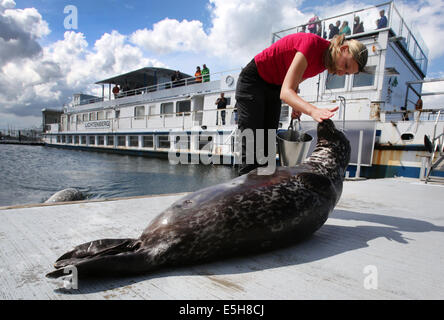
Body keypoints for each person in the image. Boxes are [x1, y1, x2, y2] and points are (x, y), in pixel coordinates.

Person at [235, 33, 368, 175]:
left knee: (267, 147)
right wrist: (312, 111)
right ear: (344, 49)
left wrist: (295, 104)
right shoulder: (311, 45)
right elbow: (286, 93)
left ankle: (262, 194)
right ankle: (242, 194)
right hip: (253, 80)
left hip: (274, 86)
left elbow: (295, 81)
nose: (341, 73)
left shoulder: (324, 63)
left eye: (347, 73)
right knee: (251, 143)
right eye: (346, 65)